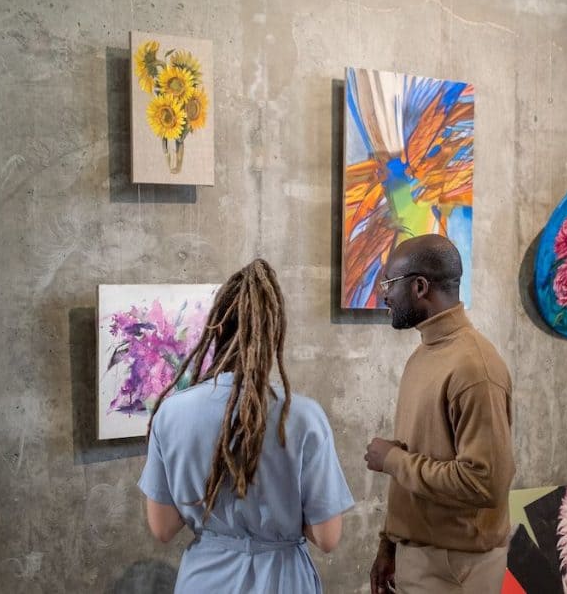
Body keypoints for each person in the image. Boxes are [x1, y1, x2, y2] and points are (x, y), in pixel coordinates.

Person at [138, 259, 355, 593]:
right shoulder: (303, 417)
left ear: (216, 328)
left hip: (203, 581)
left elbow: (163, 527)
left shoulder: (171, 413)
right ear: (274, 332)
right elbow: (327, 537)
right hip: (282, 580)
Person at [363, 234, 516, 594]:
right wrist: (390, 544)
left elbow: (485, 482)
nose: (383, 294)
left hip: (457, 566)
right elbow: (418, 458)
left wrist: (393, 460)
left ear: (419, 287)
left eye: (388, 283)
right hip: (420, 556)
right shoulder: (424, 356)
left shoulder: (475, 369)